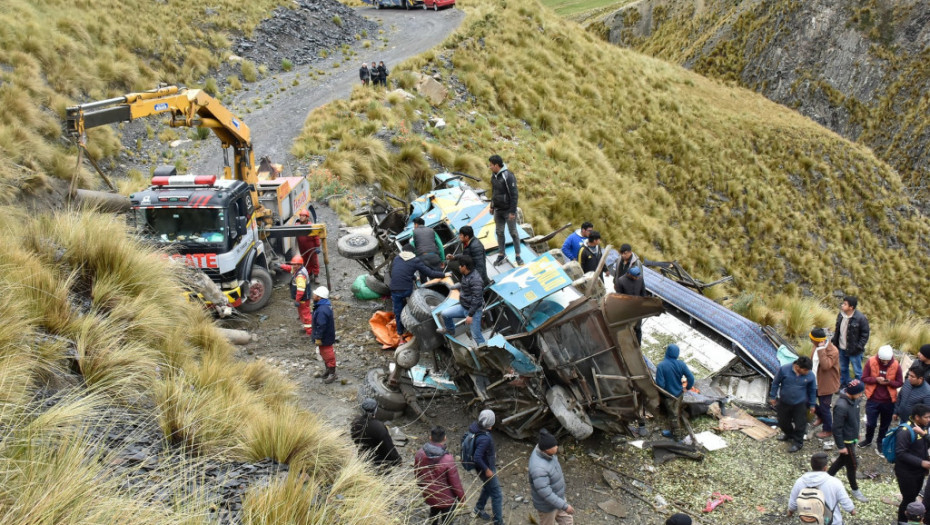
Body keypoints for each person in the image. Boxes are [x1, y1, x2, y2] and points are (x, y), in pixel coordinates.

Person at [389, 246, 446, 340]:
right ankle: (416, 330)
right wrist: (443, 274)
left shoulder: (396, 258)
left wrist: (413, 277)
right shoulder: (415, 260)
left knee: (398, 312)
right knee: (413, 307)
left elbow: (400, 272)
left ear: (403, 251)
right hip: (406, 289)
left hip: (394, 289)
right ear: (412, 252)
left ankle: (400, 335)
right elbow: (430, 273)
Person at [413, 426, 466, 525]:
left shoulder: (420, 454)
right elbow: (455, 483)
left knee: (433, 514)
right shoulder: (448, 459)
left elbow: (418, 475)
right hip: (447, 500)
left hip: (430, 495)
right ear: (445, 438)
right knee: (448, 521)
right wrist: (462, 498)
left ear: (430, 437)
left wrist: (424, 489)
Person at [787, 452, 856, 525]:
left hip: (810, 522)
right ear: (825, 468)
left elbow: (792, 504)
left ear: (811, 466)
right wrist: (852, 511)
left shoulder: (800, 482)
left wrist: (790, 512)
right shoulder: (835, 482)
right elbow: (846, 502)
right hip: (832, 522)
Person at [828, 379, 868, 502]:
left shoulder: (855, 400)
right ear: (852, 392)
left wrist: (858, 433)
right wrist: (841, 446)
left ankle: (825, 478)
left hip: (853, 437)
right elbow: (836, 428)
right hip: (846, 441)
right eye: (860, 392)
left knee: (841, 461)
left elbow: (856, 418)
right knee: (852, 465)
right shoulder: (841, 406)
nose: (862, 395)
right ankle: (855, 489)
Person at [769, 356, 817, 453]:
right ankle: (789, 434)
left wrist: (812, 404)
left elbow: (812, 390)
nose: (807, 372)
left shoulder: (810, 375)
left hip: (800, 404)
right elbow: (775, 383)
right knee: (783, 422)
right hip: (784, 402)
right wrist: (773, 396)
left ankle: (798, 443)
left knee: (800, 425)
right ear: (798, 367)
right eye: (805, 370)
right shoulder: (784, 369)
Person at [859, 344, 902, 451]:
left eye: (887, 361)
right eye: (882, 360)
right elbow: (864, 378)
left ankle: (880, 442)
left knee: (885, 424)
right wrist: (875, 380)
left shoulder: (896, 365)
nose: (885, 363)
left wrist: (889, 382)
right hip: (872, 399)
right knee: (870, 423)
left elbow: (900, 382)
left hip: (888, 401)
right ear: (879, 356)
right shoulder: (871, 361)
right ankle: (868, 440)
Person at [528, 429, 574, 525]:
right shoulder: (538, 469)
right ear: (547, 449)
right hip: (547, 507)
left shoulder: (545, 452)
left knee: (568, 522)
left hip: (558, 498)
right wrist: (565, 506)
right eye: (554, 446)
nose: (557, 447)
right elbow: (546, 494)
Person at [894, 403, 930, 522]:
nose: (929, 420)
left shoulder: (923, 428)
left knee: (914, 496)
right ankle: (902, 521)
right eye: (926, 417)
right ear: (917, 417)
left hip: (918, 472)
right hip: (907, 473)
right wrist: (922, 462)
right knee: (908, 499)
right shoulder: (905, 431)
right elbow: (901, 453)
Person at [438, 255, 484, 345]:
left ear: (465, 267)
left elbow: (477, 299)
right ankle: (450, 330)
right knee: (445, 314)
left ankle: (485, 349)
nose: (459, 267)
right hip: (464, 306)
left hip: (474, 311)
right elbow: (464, 284)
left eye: (460, 265)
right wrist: (454, 286)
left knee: (476, 335)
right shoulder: (466, 275)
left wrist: (470, 315)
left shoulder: (475, 280)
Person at [655, 344, 695, 441]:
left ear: (667, 352)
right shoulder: (681, 364)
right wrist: (688, 387)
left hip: (669, 396)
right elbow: (691, 377)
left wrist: (663, 394)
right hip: (679, 394)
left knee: (673, 416)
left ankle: (677, 438)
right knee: (676, 413)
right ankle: (672, 432)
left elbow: (660, 384)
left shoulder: (661, 366)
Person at [470, 409, 503, 525]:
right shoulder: (485, 438)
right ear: (491, 422)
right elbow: (477, 457)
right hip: (485, 468)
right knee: (497, 495)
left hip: (481, 467)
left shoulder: (476, 428)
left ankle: (478, 508)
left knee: (487, 487)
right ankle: (498, 522)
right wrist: (487, 470)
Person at [488, 155, 522, 267]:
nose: (490, 167)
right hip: (498, 210)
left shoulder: (508, 176)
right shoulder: (493, 176)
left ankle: (518, 255)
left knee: (513, 232)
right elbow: (494, 192)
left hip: (508, 211)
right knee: (499, 232)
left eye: (491, 165)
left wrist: (512, 212)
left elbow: (514, 195)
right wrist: (492, 205)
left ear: (497, 165)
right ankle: (501, 254)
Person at [350, 398, 402, 469]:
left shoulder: (355, 422)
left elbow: (354, 439)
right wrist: (397, 460)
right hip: (378, 463)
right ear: (375, 410)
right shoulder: (379, 427)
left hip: (363, 457)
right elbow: (388, 447)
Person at [830, 296, 870, 385]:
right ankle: (845, 385)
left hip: (854, 350)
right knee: (843, 368)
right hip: (841, 348)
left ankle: (859, 390)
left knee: (857, 372)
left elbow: (865, 335)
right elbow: (837, 330)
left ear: (851, 307)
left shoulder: (861, 318)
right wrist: (835, 342)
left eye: (845, 304)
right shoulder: (841, 315)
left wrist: (858, 347)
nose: (842, 305)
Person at [810, 328, 839, 439]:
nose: (811, 341)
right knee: (807, 400)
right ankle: (821, 416)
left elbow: (826, 366)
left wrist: (821, 349)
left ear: (817, 340)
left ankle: (828, 429)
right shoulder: (815, 346)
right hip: (813, 382)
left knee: (825, 407)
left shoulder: (833, 350)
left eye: (812, 339)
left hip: (826, 384)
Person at [279, 254, 313, 336]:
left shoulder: (300, 275)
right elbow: (289, 268)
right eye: (293, 264)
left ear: (299, 264)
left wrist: (297, 300)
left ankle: (309, 332)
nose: (293, 266)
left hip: (303, 298)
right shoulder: (299, 269)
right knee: (302, 312)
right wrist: (281, 266)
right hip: (304, 297)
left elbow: (300, 290)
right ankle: (306, 327)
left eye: (294, 264)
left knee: (305, 314)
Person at [310, 286, 337, 384]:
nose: (313, 295)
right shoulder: (323, 306)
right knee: (324, 353)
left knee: (328, 354)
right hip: (326, 336)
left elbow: (321, 325)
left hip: (324, 337)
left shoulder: (322, 310)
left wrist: (318, 337)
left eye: (315, 294)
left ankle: (332, 373)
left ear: (319, 297)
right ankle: (328, 370)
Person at [616, 266, 645, 343]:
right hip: (627, 311)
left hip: (638, 310)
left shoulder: (640, 279)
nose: (637, 278)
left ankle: (638, 346)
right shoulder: (621, 281)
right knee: (626, 329)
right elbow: (619, 298)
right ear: (629, 274)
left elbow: (643, 294)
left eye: (638, 277)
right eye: (635, 277)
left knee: (638, 329)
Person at [296, 209, 321, 284]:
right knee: (305, 261)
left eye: (303, 216)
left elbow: (316, 237)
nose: (301, 217)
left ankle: (316, 275)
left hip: (311, 247)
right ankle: (309, 274)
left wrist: (317, 246)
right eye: (300, 216)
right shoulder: (297, 226)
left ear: (307, 217)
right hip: (302, 248)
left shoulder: (311, 226)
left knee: (314, 261)